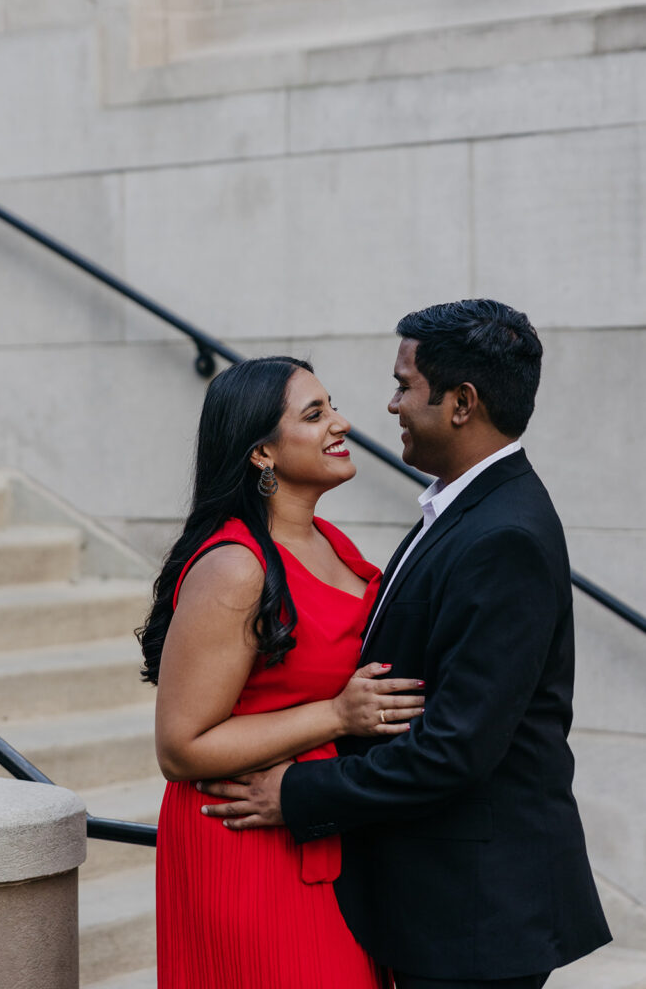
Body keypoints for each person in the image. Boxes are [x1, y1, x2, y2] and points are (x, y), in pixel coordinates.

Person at [200, 300, 612, 989]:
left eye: (402, 385)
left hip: (473, 915)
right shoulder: (462, 507)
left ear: (460, 402)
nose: (387, 406)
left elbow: (454, 749)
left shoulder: (503, 535)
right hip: (431, 902)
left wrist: (295, 791)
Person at [138, 355, 426, 989]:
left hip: (318, 825)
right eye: (315, 414)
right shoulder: (235, 567)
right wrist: (336, 714)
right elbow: (180, 747)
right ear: (261, 452)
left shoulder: (331, 542)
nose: (341, 423)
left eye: (333, 406)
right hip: (245, 842)